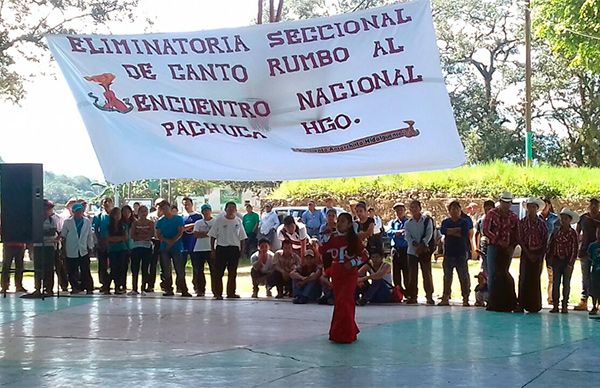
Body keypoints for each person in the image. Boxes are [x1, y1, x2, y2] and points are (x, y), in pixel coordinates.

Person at [320, 212, 369, 343]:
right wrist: (326, 236)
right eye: (338, 220)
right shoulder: (333, 238)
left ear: (348, 225)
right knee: (339, 303)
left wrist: (352, 263)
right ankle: (342, 331)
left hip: (349, 274)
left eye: (342, 221)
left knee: (345, 301)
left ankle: (346, 334)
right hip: (337, 273)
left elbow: (365, 256)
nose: (339, 223)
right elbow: (322, 250)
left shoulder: (354, 239)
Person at [483, 192, 519, 312]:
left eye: (508, 203)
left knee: (503, 273)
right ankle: (493, 302)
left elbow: (516, 233)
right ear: (501, 202)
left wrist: (511, 246)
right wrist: (498, 241)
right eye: (504, 202)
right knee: (493, 274)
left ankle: (504, 302)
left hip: (507, 248)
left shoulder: (513, 217)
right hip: (494, 247)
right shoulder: (492, 214)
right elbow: (486, 230)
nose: (506, 205)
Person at [209, 201, 247, 300]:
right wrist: (212, 249)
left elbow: (242, 237)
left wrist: (242, 251)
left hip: (234, 249)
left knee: (232, 273)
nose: (231, 210)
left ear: (235, 210)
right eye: (229, 208)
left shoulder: (238, 221)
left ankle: (231, 293)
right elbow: (212, 236)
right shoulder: (219, 220)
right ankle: (218, 293)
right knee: (218, 273)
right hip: (221, 248)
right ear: (225, 209)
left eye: (233, 208)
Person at [516, 197, 548, 313]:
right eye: (530, 207)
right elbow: (520, 238)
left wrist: (539, 254)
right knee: (523, 278)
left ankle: (534, 305)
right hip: (526, 252)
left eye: (534, 207)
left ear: (537, 208)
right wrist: (528, 252)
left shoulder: (541, 224)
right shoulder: (522, 222)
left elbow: (545, 240)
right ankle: (521, 304)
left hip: (538, 254)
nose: (531, 209)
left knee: (535, 279)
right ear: (527, 208)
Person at [439, 200, 471, 306]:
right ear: (449, 210)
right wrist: (456, 231)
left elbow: (464, 233)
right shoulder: (445, 222)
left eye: (457, 209)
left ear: (460, 210)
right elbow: (443, 231)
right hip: (448, 253)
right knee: (447, 277)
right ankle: (445, 297)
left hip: (461, 253)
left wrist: (450, 231)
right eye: (453, 209)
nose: (455, 211)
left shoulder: (464, 222)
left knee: (463, 277)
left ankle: (465, 298)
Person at [547, 208, 579, 313]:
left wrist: (570, 263)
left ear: (570, 220)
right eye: (562, 218)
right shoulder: (556, 231)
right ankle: (555, 305)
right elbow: (551, 245)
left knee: (566, 283)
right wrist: (550, 259)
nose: (563, 220)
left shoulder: (573, 234)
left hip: (567, 261)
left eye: (566, 219)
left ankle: (565, 304)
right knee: (556, 283)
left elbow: (575, 249)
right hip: (557, 260)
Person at [155, 201, 189, 297]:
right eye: (163, 208)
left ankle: (183, 289)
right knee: (166, 269)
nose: (165, 210)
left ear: (170, 208)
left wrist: (173, 241)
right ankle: (168, 289)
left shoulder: (178, 219)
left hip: (177, 247)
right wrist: (166, 241)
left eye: (166, 208)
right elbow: (158, 234)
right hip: (164, 248)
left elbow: (180, 231)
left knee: (179, 269)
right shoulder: (160, 221)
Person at [404, 200, 434, 305]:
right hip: (412, 251)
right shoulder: (408, 223)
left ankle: (429, 296)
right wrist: (414, 244)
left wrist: (423, 244)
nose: (413, 209)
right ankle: (413, 296)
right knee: (412, 275)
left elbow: (429, 233)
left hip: (424, 250)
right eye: (411, 207)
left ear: (420, 208)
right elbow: (407, 236)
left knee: (427, 274)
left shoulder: (427, 220)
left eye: (415, 207)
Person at [61, 203, 95, 294]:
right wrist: (63, 249)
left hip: (83, 249)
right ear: (73, 212)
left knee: (85, 270)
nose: (79, 213)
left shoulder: (87, 221)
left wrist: (90, 247)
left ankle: (88, 287)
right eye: (77, 211)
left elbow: (89, 236)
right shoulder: (67, 222)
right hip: (71, 249)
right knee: (72, 271)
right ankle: (75, 287)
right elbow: (63, 236)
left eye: (81, 211)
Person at [29, 200, 60, 297]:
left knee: (49, 268)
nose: (48, 211)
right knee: (38, 267)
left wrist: (47, 233)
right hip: (38, 246)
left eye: (49, 209)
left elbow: (53, 232)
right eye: (46, 209)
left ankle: (49, 288)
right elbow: (34, 233)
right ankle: (37, 288)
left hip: (49, 246)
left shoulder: (52, 220)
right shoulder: (35, 220)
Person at [574, 198, 600, 311]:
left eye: (596, 204)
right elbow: (577, 233)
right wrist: (575, 247)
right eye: (592, 204)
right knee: (586, 277)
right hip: (585, 251)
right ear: (589, 205)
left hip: (598, 252)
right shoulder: (583, 218)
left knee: (597, 276)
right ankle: (584, 300)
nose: (594, 206)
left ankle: (597, 302)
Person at [192, 204, 215, 297]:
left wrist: (204, 234)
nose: (206, 212)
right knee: (198, 270)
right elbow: (196, 234)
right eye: (204, 211)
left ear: (210, 211)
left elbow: (215, 234)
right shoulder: (198, 223)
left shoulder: (215, 222)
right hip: (199, 249)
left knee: (214, 271)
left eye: (208, 210)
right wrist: (208, 233)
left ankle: (215, 290)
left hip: (211, 248)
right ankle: (200, 289)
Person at [130, 205, 154, 295]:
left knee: (145, 268)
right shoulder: (135, 223)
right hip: (136, 247)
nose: (144, 213)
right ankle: (134, 288)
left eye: (145, 211)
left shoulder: (150, 223)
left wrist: (142, 236)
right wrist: (142, 236)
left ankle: (143, 288)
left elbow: (151, 234)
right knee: (135, 268)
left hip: (147, 248)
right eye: (142, 211)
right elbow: (133, 235)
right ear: (138, 212)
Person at [540, 198, 560, 305]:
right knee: (535, 273)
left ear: (548, 205)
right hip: (538, 249)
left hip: (550, 250)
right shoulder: (536, 217)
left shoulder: (555, 219)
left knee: (551, 275)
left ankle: (551, 297)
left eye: (545, 204)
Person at [387, 202, 410, 292]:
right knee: (396, 272)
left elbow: (408, 232)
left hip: (406, 249)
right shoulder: (392, 222)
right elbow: (388, 232)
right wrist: (396, 232)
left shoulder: (408, 222)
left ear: (404, 211)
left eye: (401, 210)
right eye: (397, 210)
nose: (399, 212)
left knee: (407, 272)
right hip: (395, 249)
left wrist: (401, 233)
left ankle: (409, 293)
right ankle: (398, 292)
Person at [92, 197, 114, 294]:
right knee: (102, 265)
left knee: (114, 265)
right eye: (105, 202)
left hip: (114, 244)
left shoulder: (115, 215)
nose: (107, 204)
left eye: (109, 202)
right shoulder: (99, 216)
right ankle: (104, 284)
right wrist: (99, 241)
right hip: (102, 244)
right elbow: (95, 229)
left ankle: (113, 282)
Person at [106, 207, 128, 294]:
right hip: (112, 250)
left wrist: (115, 239)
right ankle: (107, 286)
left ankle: (118, 287)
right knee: (113, 268)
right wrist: (118, 239)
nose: (117, 216)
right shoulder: (109, 226)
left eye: (118, 214)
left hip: (122, 249)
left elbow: (125, 237)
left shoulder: (123, 225)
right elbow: (108, 238)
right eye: (115, 214)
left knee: (121, 268)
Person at [181, 198, 202, 287]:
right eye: (184, 204)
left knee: (196, 266)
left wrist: (188, 226)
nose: (186, 206)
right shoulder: (181, 216)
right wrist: (192, 225)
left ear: (192, 204)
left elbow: (199, 225)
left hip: (195, 244)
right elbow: (181, 228)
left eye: (188, 204)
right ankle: (181, 286)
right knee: (181, 267)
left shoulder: (198, 216)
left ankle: (197, 285)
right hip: (183, 244)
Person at [147, 198, 166, 293]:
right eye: (159, 204)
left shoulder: (167, 216)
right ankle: (150, 285)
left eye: (163, 204)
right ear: (155, 205)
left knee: (164, 264)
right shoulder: (150, 216)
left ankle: (165, 285)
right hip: (153, 241)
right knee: (152, 264)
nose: (161, 206)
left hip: (164, 242)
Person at [0, 228, 27, 292]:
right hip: (8, 245)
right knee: (6, 265)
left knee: (19, 266)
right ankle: (4, 286)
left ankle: (18, 285)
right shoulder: (6, 219)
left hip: (20, 245)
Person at [475, 200, 496, 275]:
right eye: (486, 209)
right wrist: (476, 246)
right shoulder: (481, 219)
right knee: (484, 261)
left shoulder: (496, 219)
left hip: (494, 243)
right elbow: (477, 233)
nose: (488, 211)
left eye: (490, 209)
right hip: (484, 242)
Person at [588, 228, 600, 317]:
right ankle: (594, 306)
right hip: (595, 272)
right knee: (594, 289)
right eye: (598, 233)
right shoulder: (592, 246)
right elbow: (590, 257)